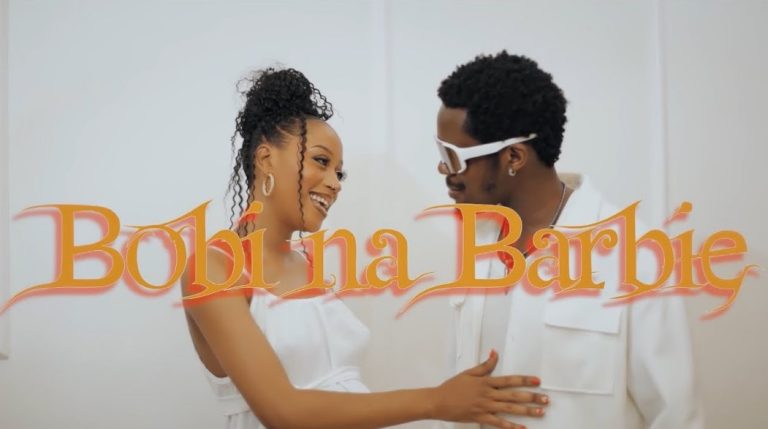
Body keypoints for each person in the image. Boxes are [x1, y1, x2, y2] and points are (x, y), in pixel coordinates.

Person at [181, 67, 548, 429]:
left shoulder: (306, 264)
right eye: (321, 161)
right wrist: (437, 401)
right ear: (265, 159)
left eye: (339, 173)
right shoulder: (213, 268)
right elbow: (283, 411)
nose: (334, 183)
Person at [433, 51, 704, 428]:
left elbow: (676, 415)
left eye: (453, 156)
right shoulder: (478, 246)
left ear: (514, 157)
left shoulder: (636, 255)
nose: (443, 168)